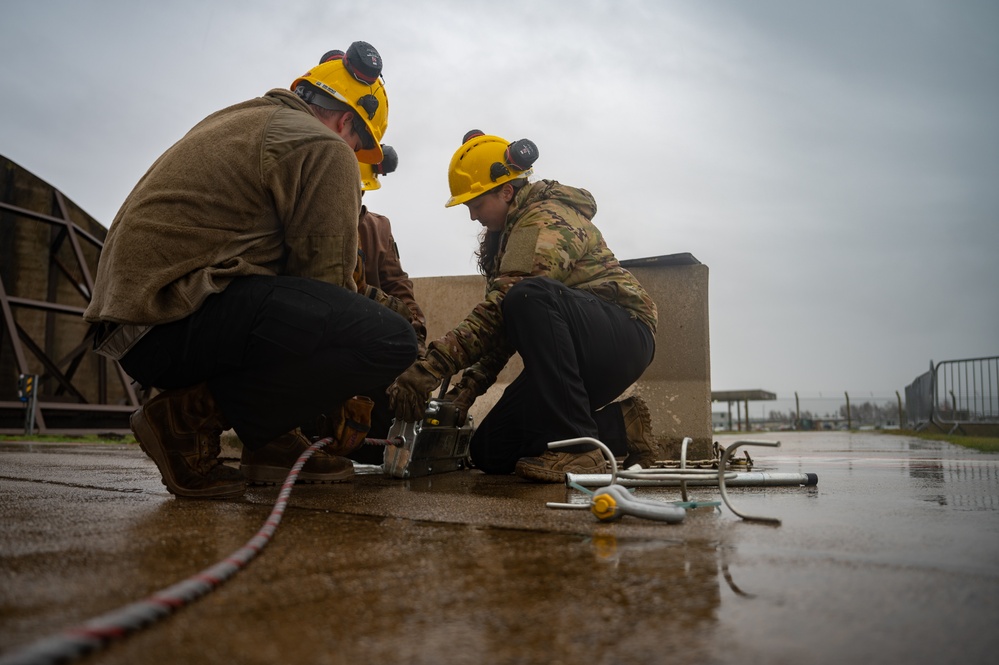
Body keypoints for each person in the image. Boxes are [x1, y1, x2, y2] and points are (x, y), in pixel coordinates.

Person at [83, 42, 418, 499]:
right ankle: (184, 419)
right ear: (346, 123)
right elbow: (324, 284)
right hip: (173, 317)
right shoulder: (325, 147)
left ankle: (271, 445)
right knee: (390, 338)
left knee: (312, 311)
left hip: (140, 318)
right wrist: (343, 391)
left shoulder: (240, 119)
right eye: (359, 146)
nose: (354, 158)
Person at [386, 130, 662, 483]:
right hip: (572, 359)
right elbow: (502, 329)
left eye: (476, 204)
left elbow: (510, 304)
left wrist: (429, 369)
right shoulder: (508, 239)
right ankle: (621, 426)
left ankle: (581, 453)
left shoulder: (545, 217)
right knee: (491, 450)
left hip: (620, 335)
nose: (472, 216)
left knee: (527, 296)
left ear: (505, 191)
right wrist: (463, 394)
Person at [348, 145, 429, 464]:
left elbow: (398, 285)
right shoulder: (308, 221)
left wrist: (417, 344)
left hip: (370, 348)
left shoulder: (377, 227)